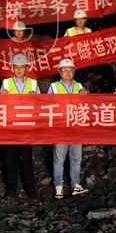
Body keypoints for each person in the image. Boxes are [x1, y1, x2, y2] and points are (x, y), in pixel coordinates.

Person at [48, 58, 90, 199]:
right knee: (59, 158)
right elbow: (45, 106)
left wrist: (87, 96)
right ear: (59, 72)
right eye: (64, 69)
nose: (67, 72)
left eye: (70, 69)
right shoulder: (53, 87)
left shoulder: (79, 86)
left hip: (76, 126)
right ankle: (58, 186)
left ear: (74, 71)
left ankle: (76, 185)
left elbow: (88, 106)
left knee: (76, 158)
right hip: (60, 127)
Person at [0, 53, 38, 198]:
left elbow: (40, 104)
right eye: (17, 67)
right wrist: (1, 96)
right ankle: (11, 189)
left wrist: (36, 96)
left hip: (26, 125)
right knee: (11, 159)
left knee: (27, 159)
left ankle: (31, 189)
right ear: (13, 68)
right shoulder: (6, 83)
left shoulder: (33, 83)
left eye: (22, 67)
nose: (19, 69)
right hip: (11, 125)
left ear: (27, 67)